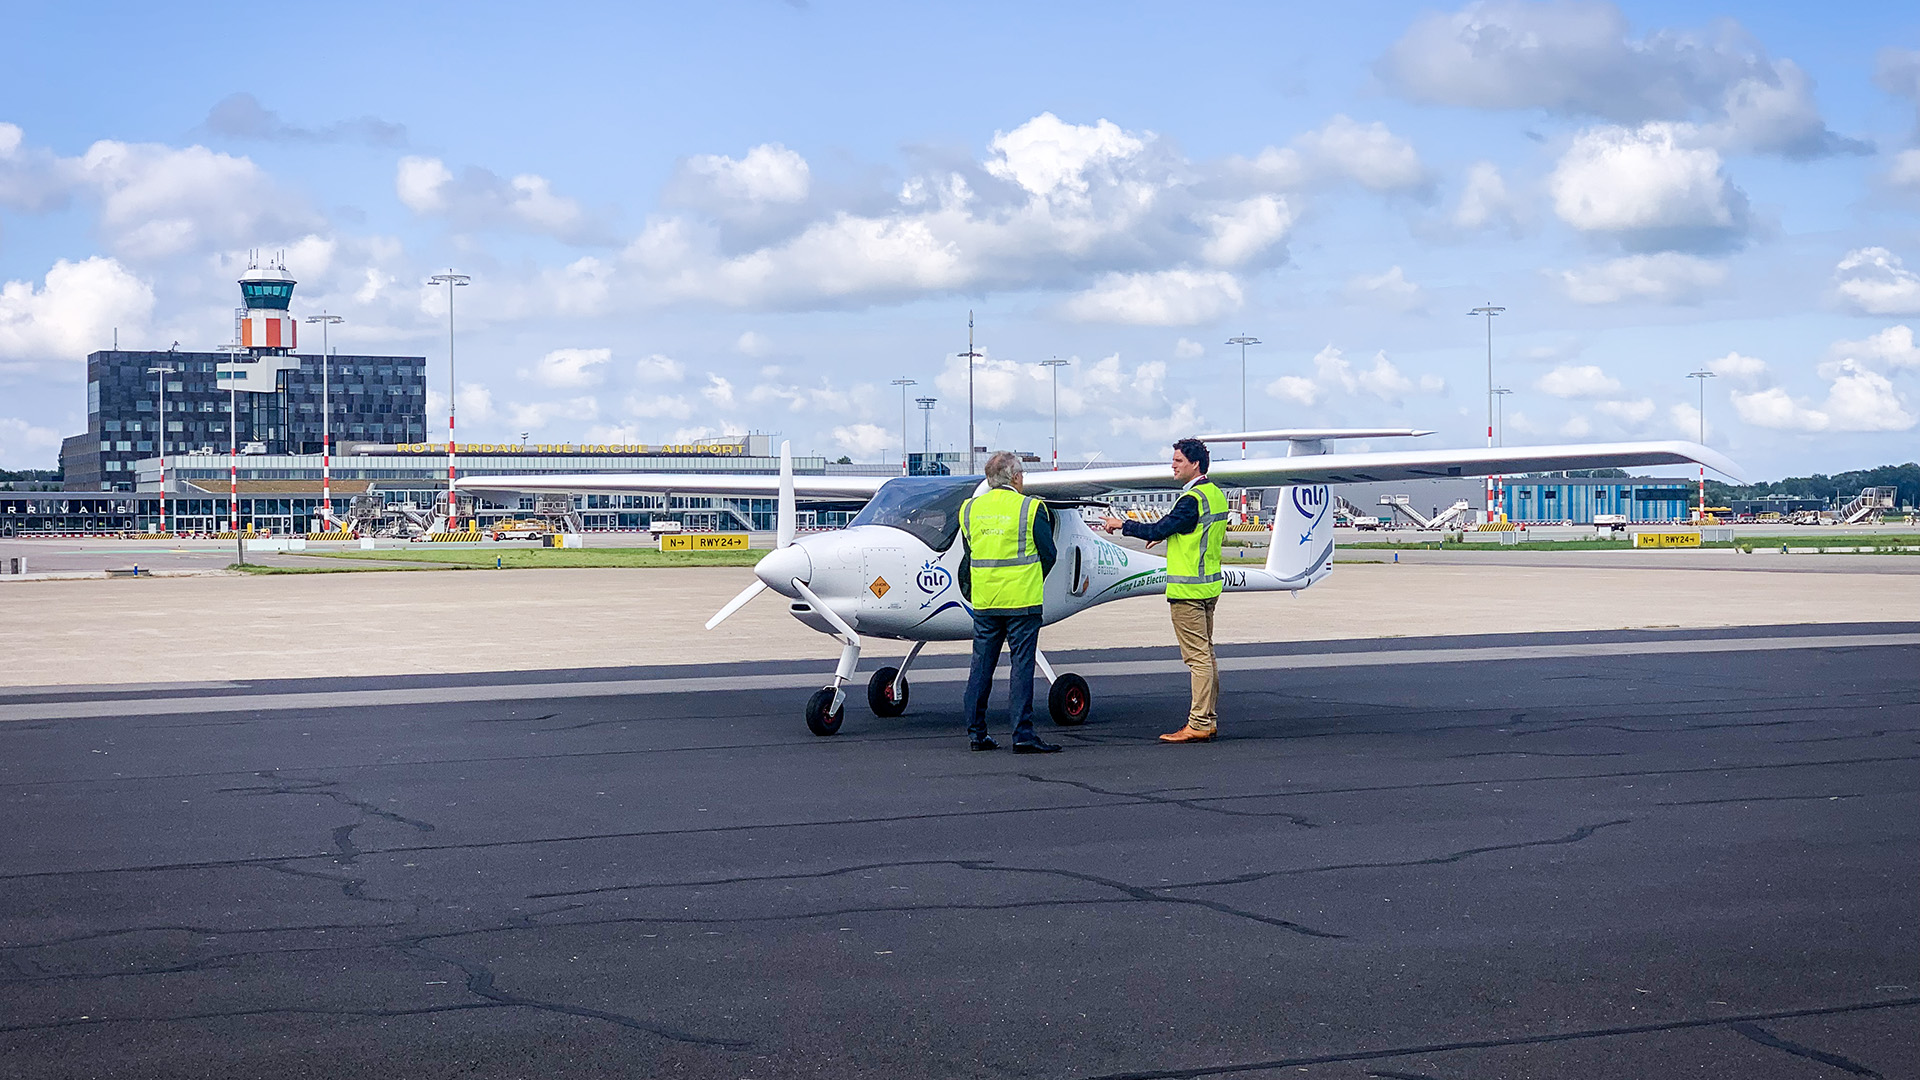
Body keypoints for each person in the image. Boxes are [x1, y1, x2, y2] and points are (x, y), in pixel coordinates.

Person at [1101, 437, 1228, 743]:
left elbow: (1162, 527)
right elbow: (1184, 529)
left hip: (1188, 592)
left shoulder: (1190, 500)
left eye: (1178, 461)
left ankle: (1197, 723)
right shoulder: (1214, 495)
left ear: (1194, 464)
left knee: (1197, 659)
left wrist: (1122, 524)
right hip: (1208, 586)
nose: (1173, 465)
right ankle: (1208, 719)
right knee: (1207, 656)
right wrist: (1167, 535)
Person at [959, 451, 1060, 753]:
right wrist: (1031, 578)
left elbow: (970, 553)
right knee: (1021, 667)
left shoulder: (969, 510)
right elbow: (1049, 553)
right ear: (1015, 478)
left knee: (981, 666)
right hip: (1022, 601)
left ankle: (977, 733)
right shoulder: (1030, 508)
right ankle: (1022, 734)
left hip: (986, 601)